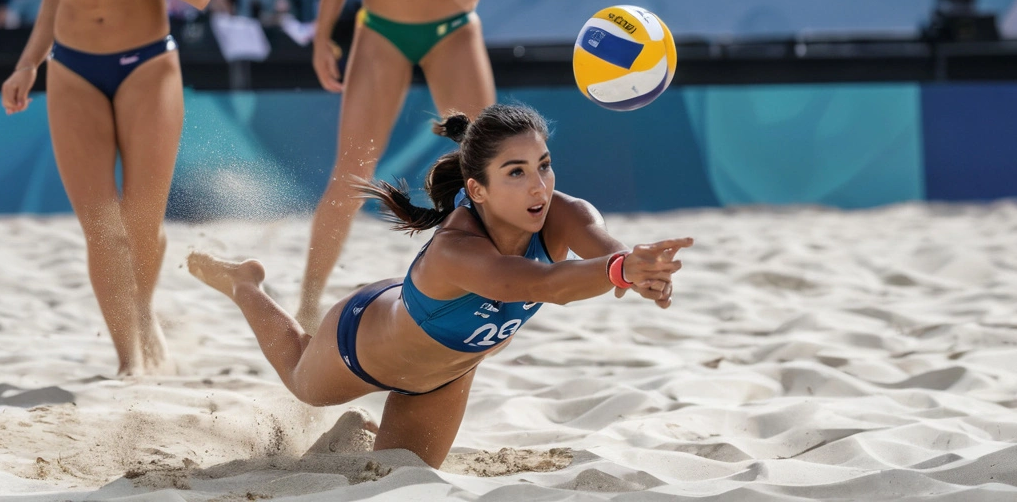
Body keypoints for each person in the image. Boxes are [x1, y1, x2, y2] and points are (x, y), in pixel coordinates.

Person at [189, 104, 691, 467]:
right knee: (304, 384)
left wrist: (642, 271)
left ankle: (363, 432)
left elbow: (607, 253)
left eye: (543, 165)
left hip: (444, 378)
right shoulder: (457, 247)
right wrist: (622, 270)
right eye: (515, 172)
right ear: (478, 189)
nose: (539, 185)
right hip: (362, 341)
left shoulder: (566, 214)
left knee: (395, 477)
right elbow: (547, 284)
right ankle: (245, 284)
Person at [0, 0, 212, 376]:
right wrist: (28, 61)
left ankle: (143, 318)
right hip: (72, 65)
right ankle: (129, 363)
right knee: (102, 229)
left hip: (147, 62)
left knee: (142, 223)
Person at [299, 0, 499, 332]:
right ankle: (308, 303)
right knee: (351, 172)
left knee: (490, 166)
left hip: (451, 29)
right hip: (381, 29)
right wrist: (321, 36)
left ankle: (501, 291)